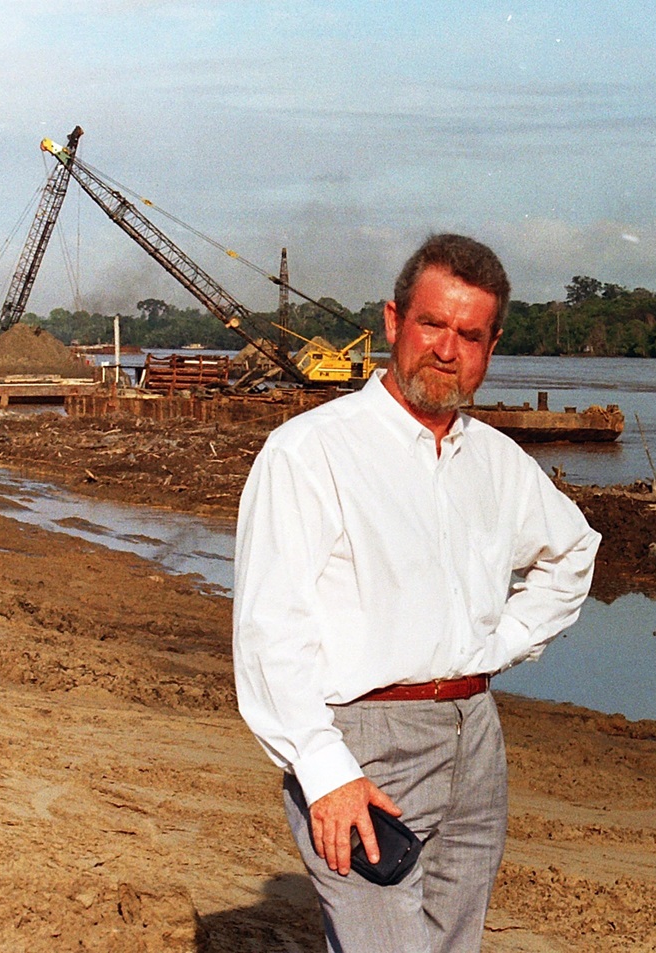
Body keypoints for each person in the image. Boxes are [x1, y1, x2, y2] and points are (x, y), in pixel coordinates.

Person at [232, 233, 600, 952]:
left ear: (491, 346)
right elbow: (270, 631)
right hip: (361, 741)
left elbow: (573, 551)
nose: (447, 348)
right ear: (395, 321)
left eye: (470, 334)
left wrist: (499, 643)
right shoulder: (311, 452)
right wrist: (324, 770)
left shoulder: (496, 460)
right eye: (432, 324)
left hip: (475, 735)